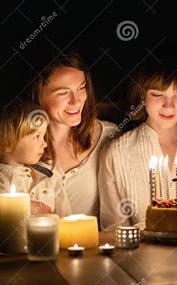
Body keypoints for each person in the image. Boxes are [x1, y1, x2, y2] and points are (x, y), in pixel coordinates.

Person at [98, 54, 177, 230]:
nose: (169, 106)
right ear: (142, 95)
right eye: (158, 94)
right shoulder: (116, 153)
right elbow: (114, 229)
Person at [31, 52, 117, 216]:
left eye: (81, 88)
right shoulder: (17, 145)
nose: (76, 101)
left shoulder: (111, 138)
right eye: (63, 93)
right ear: (38, 94)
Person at [0, 100, 71, 231]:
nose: (45, 144)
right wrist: (27, 207)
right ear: (8, 142)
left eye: (43, 136)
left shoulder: (49, 174)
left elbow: (65, 217)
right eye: (37, 137)